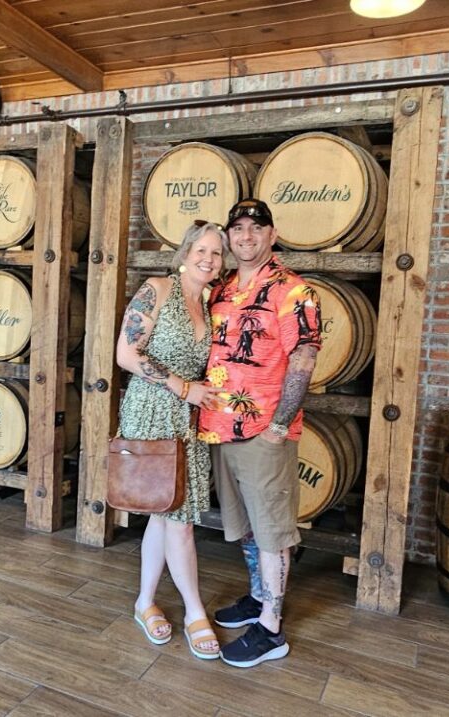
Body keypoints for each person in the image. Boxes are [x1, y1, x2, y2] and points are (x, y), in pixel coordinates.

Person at [203, 198, 321, 668]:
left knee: (273, 532)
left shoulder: (293, 291)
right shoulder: (225, 288)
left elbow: (304, 360)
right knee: (249, 526)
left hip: (263, 430)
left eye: (256, 227)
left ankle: (271, 629)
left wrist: (277, 426)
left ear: (272, 234)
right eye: (238, 228)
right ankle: (257, 598)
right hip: (219, 426)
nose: (246, 236)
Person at [115, 221, 226, 660]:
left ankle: (145, 603)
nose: (208, 258)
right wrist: (184, 388)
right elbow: (126, 354)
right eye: (201, 249)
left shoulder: (211, 303)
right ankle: (195, 612)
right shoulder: (157, 289)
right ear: (184, 253)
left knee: (165, 512)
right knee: (178, 518)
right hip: (153, 411)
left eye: (217, 253)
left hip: (188, 419)